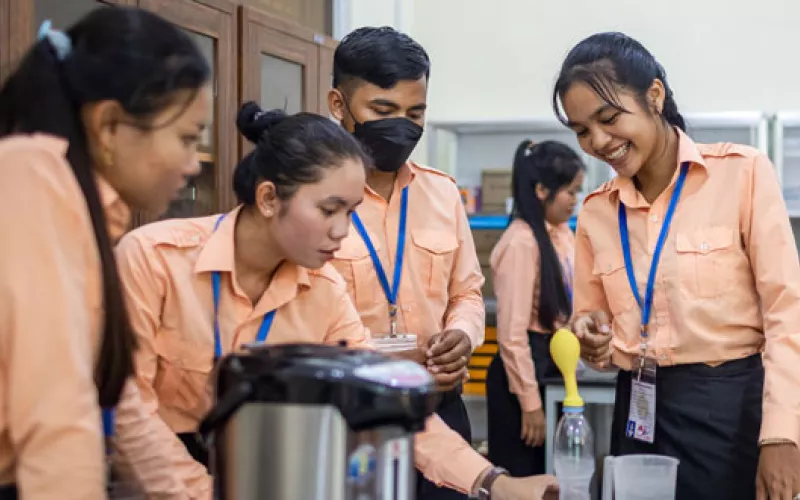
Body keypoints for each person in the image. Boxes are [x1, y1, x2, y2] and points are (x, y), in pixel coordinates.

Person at [115, 102, 560, 500]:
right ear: (269, 198)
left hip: (273, 475)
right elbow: (127, 407)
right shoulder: (155, 260)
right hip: (158, 478)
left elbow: (383, 399)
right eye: (329, 210)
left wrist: (493, 482)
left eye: (350, 212)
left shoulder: (323, 290)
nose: (342, 231)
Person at [552, 31, 800, 499]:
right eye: (582, 130)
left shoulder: (741, 175)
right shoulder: (597, 212)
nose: (599, 141)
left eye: (608, 118)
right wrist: (591, 336)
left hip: (727, 409)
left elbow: (789, 314)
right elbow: (593, 330)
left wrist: (782, 435)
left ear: (654, 96)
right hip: (638, 409)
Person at [0, 6, 212, 499]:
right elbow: (58, 414)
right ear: (109, 124)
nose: (192, 164)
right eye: (185, 138)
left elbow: (115, 395)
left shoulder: (76, 198)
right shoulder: (32, 182)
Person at [327, 26, 486, 500]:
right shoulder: (314, 200)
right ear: (340, 106)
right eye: (383, 111)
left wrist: (464, 334)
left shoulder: (442, 193)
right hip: (349, 420)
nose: (402, 125)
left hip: (440, 408)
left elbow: (467, 292)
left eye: (415, 113)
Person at [486, 140, 584, 477]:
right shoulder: (521, 242)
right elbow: (512, 335)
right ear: (542, 190)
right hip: (522, 374)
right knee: (524, 477)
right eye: (570, 192)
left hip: (550, 365)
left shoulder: (560, 235)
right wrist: (530, 404)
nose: (575, 200)